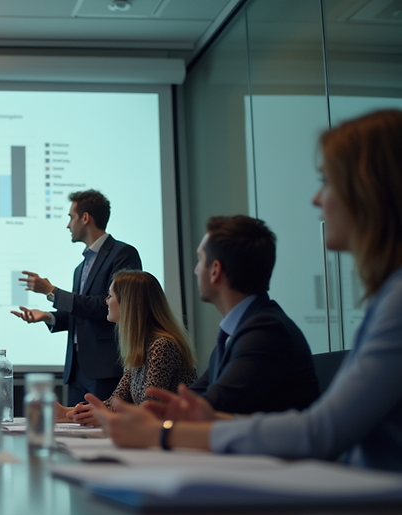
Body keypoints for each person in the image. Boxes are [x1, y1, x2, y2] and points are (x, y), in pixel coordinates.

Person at [90, 109, 402, 472]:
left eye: (326, 181)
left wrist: (164, 432)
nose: (317, 199)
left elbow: (321, 432)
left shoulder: (266, 330)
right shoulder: (238, 331)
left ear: (368, 191)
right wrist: (177, 422)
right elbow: (204, 405)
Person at [12, 189, 142, 406]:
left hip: (105, 369)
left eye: (71, 217)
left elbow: (106, 307)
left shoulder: (123, 254)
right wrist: (48, 317)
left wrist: (51, 291)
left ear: (85, 218)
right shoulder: (79, 268)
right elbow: (81, 314)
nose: (68, 225)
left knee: (101, 435)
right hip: (76, 371)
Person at [185, 215, 318, 414]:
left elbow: (209, 409)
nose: (196, 270)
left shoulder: (266, 331)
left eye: (200, 259)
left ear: (215, 270)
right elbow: (194, 398)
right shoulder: (238, 333)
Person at [63, 270, 197, 426]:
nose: (106, 301)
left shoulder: (162, 346)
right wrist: (73, 412)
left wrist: (102, 416)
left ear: (128, 303)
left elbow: (149, 410)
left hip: (176, 437)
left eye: (110, 296)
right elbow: (116, 401)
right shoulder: (140, 347)